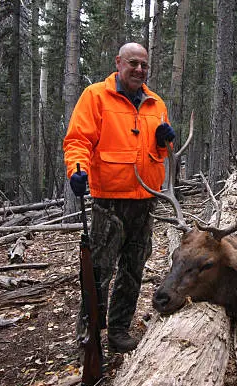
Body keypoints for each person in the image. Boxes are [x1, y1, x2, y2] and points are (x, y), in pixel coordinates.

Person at [63, 42, 176, 353]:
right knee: (99, 271)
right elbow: (78, 140)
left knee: (133, 269)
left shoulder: (156, 103)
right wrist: (76, 170)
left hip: (145, 201)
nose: (139, 69)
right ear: (119, 63)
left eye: (144, 65)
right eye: (133, 63)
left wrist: (163, 142)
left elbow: (159, 153)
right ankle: (88, 335)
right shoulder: (96, 96)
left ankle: (119, 331)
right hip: (109, 201)